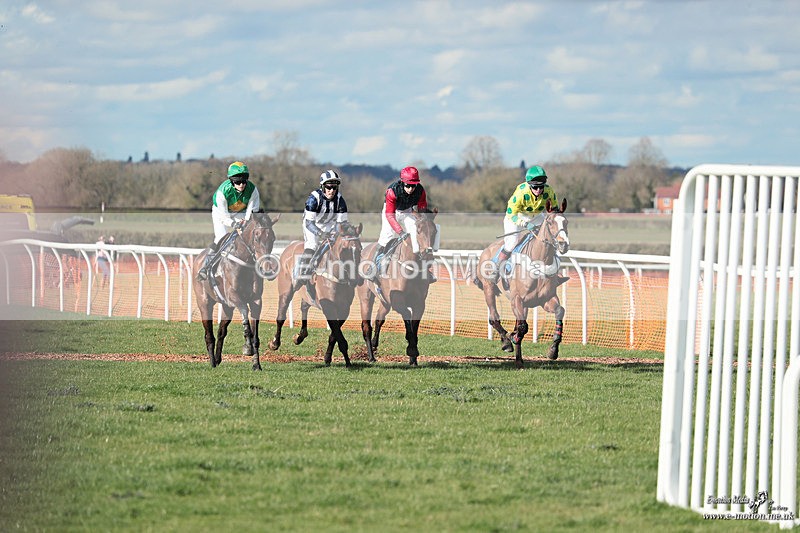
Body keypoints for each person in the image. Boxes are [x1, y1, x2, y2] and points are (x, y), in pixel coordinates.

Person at [486, 165, 559, 283]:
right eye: (535, 187)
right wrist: (525, 224)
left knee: (550, 235)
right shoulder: (521, 192)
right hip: (516, 217)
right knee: (512, 242)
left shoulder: (549, 191)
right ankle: (496, 268)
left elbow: (554, 209)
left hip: (535, 216)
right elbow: (511, 213)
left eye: (541, 186)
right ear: (530, 185)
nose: (538, 190)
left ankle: (553, 269)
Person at [196, 161, 262, 281]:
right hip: (221, 214)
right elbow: (224, 217)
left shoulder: (253, 190)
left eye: (244, 180)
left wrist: (245, 224)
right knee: (221, 237)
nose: (241, 184)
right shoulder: (222, 192)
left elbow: (252, 213)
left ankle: (259, 265)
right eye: (237, 181)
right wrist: (234, 224)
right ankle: (206, 267)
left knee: (251, 234)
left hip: (241, 212)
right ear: (231, 181)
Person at [365, 166, 428, 280]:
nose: (410, 189)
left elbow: (422, 208)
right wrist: (400, 232)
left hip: (407, 212)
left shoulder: (420, 191)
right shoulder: (392, 191)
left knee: (416, 231)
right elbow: (390, 215)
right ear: (402, 182)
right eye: (408, 185)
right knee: (386, 239)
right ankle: (373, 268)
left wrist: (422, 220)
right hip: (391, 213)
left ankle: (424, 268)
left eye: (413, 185)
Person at [293, 170, 349, 290]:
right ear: (322, 187)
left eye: (334, 187)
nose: (331, 190)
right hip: (313, 225)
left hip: (330, 224)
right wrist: (320, 234)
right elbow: (309, 223)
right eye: (328, 187)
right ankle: (301, 274)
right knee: (312, 245)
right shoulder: (314, 198)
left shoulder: (340, 200)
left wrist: (335, 233)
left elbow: (341, 223)